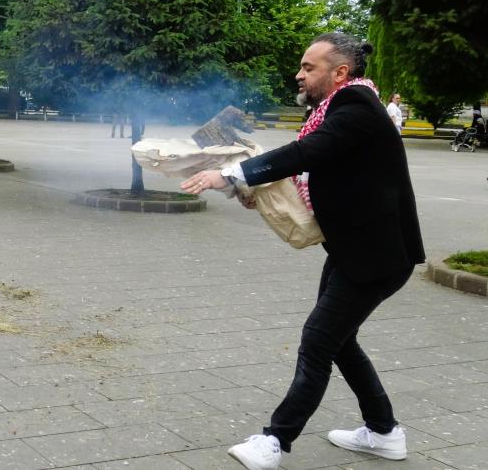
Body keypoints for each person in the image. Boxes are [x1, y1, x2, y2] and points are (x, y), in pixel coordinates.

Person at [181, 32, 424, 470]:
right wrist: (255, 184)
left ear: (340, 73)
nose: (300, 73)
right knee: (339, 342)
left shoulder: (356, 108)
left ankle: (276, 441)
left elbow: (307, 152)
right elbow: (317, 169)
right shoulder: (342, 107)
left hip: (377, 256)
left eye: (309, 67)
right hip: (361, 250)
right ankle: (384, 432)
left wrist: (236, 175)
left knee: (318, 339)